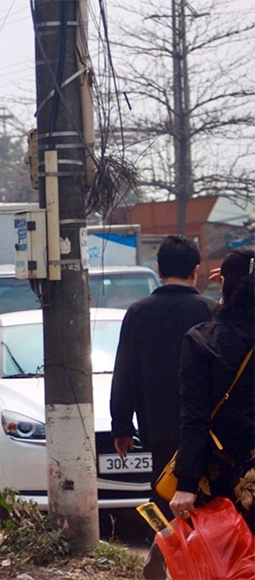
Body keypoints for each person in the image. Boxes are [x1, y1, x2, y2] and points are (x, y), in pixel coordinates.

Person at [109, 235, 216, 579]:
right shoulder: (209, 312)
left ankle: (164, 548)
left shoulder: (138, 313)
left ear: (158, 270)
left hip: (158, 426)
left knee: (163, 492)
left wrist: (121, 425)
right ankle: (199, 561)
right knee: (205, 499)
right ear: (196, 271)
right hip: (207, 429)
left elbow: (124, 371)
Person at [170, 246, 255, 532]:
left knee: (228, 564)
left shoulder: (203, 341)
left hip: (224, 478)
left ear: (224, 285)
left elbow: (195, 418)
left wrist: (186, 484)